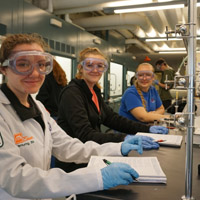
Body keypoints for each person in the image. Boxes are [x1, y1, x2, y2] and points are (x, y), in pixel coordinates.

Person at [0, 33, 159, 200]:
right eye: (23, 64)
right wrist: (96, 178)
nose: (35, 73)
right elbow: (16, 178)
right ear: (3, 68)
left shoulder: (38, 107)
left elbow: (69, 146)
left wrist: (118, 148)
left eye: (41, 65)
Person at [56, 47, 168, 173]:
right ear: (80, 68)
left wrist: (147, 129)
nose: (95, 70)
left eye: (100, 66)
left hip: (93, 155)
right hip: (75, 162)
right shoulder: (72, 93)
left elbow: (113, 119)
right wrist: (123, 138)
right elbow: (85, 134)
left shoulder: (94, 91)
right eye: (89, 65)